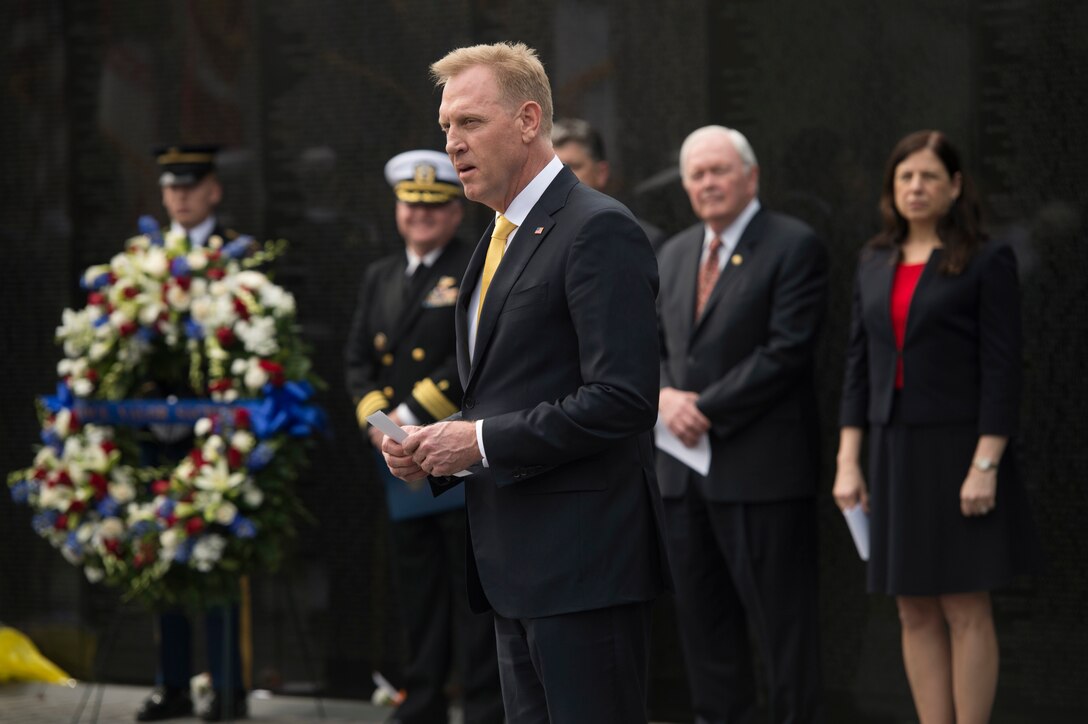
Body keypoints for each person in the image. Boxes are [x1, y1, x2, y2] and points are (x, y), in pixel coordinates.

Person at [380, 42, 670, 723]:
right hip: (513, 567)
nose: (453, 144)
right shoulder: (496, 236)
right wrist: (432, 449)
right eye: (446, 127)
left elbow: (624, 399)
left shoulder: (598, 228)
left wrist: (476, 444)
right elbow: (505, 387)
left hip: (583, 569)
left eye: (470, 123)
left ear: (529, 119)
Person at [832, 130, 1038, 724]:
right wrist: (849, 460)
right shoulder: (874, 260)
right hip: (893, 452)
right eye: (904, 177)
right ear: (891, 190)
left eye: (928, 176)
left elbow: (1004, 369)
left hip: (960, 451)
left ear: (954, 186)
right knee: (912, 608)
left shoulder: (986, 258)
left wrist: (986, 463)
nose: (915, 187)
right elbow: (857, 365)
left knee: (965, 604)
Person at [656, 125, 827, 723]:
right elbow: (644, 347)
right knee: (703, 626)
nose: (708, 183)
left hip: (762, 473)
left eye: (719, 170)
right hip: (682, 477)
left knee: (782, 630)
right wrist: (661, 396)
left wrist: (702, 406)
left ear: (751, 177)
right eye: (697, 174)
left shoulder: (793, 244)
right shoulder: (673, 254)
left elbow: (786, 350)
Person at [344, 149, 503, 724]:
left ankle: (484, 706)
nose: (420, 217)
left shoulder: (474, 266)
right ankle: (425, 701)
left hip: (456, 456)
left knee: (470, 596)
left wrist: (413, 413)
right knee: (417, 595)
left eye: (433, 208)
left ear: (454, 213)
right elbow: (358, 360)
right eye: (410, 206)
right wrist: (381, 423)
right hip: (399, 457)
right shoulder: (380, 276)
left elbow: (472, 360)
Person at [136, 145, 247, 723]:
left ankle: (228, 686)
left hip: (220, 433)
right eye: (170, 186)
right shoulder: (139, 259)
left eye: (190, 185)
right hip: (155, 434)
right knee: (165, 556)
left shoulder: (240, 256)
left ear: (213, 190)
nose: (179, 195)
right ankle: (171, 683)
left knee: (217, 558)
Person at [551, 116, 668, 252]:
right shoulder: (531, 238)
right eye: (555, 168)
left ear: (601, 173)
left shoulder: (643, 240)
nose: (561, 176)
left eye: (574, 166)